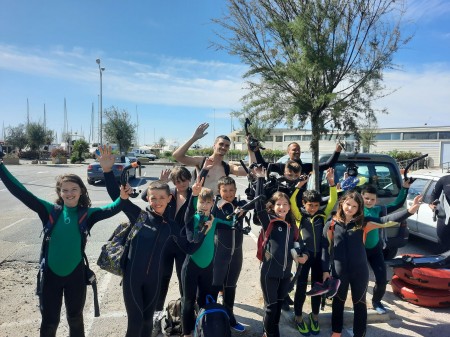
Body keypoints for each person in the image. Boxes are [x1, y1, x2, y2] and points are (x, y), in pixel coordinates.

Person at [0, 159, 129, 337]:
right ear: (59, 193)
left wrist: (122, 198)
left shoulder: (87, 215)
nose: (69, 193)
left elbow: (112, 208)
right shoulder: (49, 210)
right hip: (50, 276)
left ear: (82, 191)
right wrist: (0, 165)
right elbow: (21, 192)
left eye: (74, 189)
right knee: (50, 322)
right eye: (65, 190)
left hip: (75, 276)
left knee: (75, 319)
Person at [322, 191, 422, 337]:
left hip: (359, 272)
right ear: (342, 202)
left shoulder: (364, 223)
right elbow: (325, 247)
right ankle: (336, 332)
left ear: (359, 208)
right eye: (348, 204)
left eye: (354, 206)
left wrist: (409, 211)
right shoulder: (331, 224)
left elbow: (386, 220)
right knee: (338, 302)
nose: (350, 208)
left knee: (359, 304)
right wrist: (325, 270)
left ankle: (359, 334)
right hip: (339, 272)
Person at [254, 166, 309, 337]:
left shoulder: (292, 227)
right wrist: (260, 180)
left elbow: (299, 246)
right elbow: (258, 206)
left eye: (285, 204)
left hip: (286, 275)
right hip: (269, 273)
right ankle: (271, 334)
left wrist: (304, 256)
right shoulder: (268, 221)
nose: (282, 207)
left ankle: (270, 331)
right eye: (278, 204)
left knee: (278, 306)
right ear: (272, 206)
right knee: (271, 307)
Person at [290, 168, 337, 336]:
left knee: (318, 288)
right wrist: (298, 186)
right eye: (310, 205)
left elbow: (332, 201)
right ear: (304, 203)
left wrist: (331, 183)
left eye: (316, 205)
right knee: (301, 288)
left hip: (318, 258)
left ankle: (315, 316)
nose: (313, 208)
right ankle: (298, 316)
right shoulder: (299, 216)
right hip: (304, 257)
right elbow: (292, 202)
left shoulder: (322, 216)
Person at [361, 182, 410, 314]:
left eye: (372, 199)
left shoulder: (379, 210)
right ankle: (359, 303)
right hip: (360, 250)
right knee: (360, 280)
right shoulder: (356, 211)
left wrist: (404, 188)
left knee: (382, 279)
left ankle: (376, 301)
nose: (370, 201)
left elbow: (397, 205)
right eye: (367, 198)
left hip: (375, 249)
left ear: (376, 199)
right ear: (361, 197)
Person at [210, 174, 249, 332]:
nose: (229, 193)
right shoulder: (215, 206)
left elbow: (250, 203)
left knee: (231, 286)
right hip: (220, 254)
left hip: (236, 255)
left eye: (231, 190)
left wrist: (244, 208)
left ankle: (230, 316)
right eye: (225, 190)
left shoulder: (240, 204)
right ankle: (209, 317)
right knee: (215, 285)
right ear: (219, 191)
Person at [172, 122, 254, 193]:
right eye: (221, 144)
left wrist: (250, 150)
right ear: (214, 145)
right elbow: (177, 156)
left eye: (226, 146)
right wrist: (194, 138)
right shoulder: (201, 162)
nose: (223, 147)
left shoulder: (228, 168)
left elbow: (251, 171)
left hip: (217, 207)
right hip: (201, 205)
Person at [182, 182, 215, 337]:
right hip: (191, 266)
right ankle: (187, 332)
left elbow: (231, 220)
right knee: (188, 301)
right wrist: (193, 195)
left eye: (208, 202)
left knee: (203, 300)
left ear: (213, 203)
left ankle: (202, 328)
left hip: (208, 266)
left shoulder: (214, 219)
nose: (205, 205)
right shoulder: (192, 218)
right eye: (202, 201)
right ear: (197, 203)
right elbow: (188, 211)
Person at [255, 141, 343, 177]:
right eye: (294, 150)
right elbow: (264, 165)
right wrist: (256, 151)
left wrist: (337, 151)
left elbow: (328, 165)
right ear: (288, 152)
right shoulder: (281, 167)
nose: (297, 151)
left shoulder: (307, 167)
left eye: (298, 150)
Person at [430, 174, 450, 252]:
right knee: (443, 245)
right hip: (445, 218)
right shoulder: (444, 179)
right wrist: (433, 205)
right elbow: (434, 195)